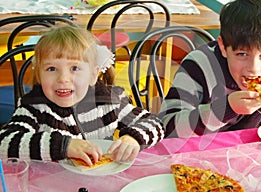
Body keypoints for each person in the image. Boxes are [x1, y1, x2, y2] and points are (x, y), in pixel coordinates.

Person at [0, 26, 164, 166]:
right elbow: (4, 143)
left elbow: (155, 123)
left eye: (74, 68)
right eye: (51, 69)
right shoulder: (34, 108)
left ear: (93, 75)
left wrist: (133, 138)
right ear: (39, 75)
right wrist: (64, 146)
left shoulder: (109, 101)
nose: (63, 78)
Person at [158, 0, 261, 138]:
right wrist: (226, 109)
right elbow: (168, 128)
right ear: (223, 47)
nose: (254, 68)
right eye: (242, 54)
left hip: (247, 155)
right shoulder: (199, 64)